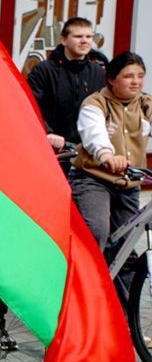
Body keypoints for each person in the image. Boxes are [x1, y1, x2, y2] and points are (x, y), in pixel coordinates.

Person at [72, 51, 151, 252]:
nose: (136, 82)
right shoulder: (95, 104)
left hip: (130, 181)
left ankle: (119, 283)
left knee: (128, 242)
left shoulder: (145, 104)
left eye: (140, 76)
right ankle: (88, 280)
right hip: (94, 179)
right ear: (111, 79)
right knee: (97, 231)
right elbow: (94, 134)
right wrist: (106, 155)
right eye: (128, 76)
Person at [28, 17, 109, 171]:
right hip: (51, 149)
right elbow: (29, 105)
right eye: (78, 36)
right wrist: (47, 133)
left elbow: (107, 108)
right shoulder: (44, 70)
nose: (85, 41)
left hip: (87, 152)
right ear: (64, 40)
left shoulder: (98, 72)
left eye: (89, 37)